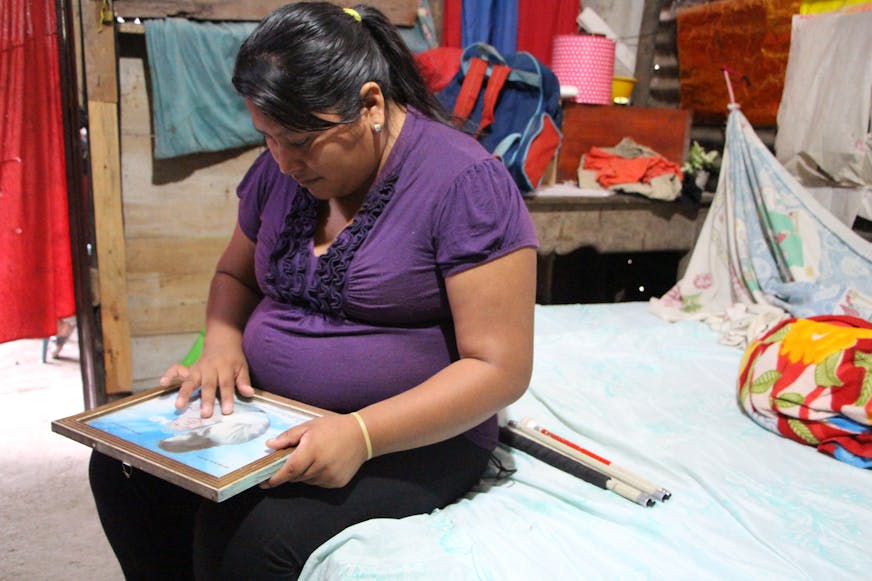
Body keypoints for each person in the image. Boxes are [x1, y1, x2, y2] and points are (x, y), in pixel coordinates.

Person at [89, 3, 538, 579]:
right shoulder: (280, 171)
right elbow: (235, 276)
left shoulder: (464, 183)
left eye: (301, 140)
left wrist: (361, 433)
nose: (282, 159)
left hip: (411, 437)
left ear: (371, 105)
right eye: (268, 137)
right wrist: (220, 346)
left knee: (251, 541)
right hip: (277, 416)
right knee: (124, 472)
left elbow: (499, 368)